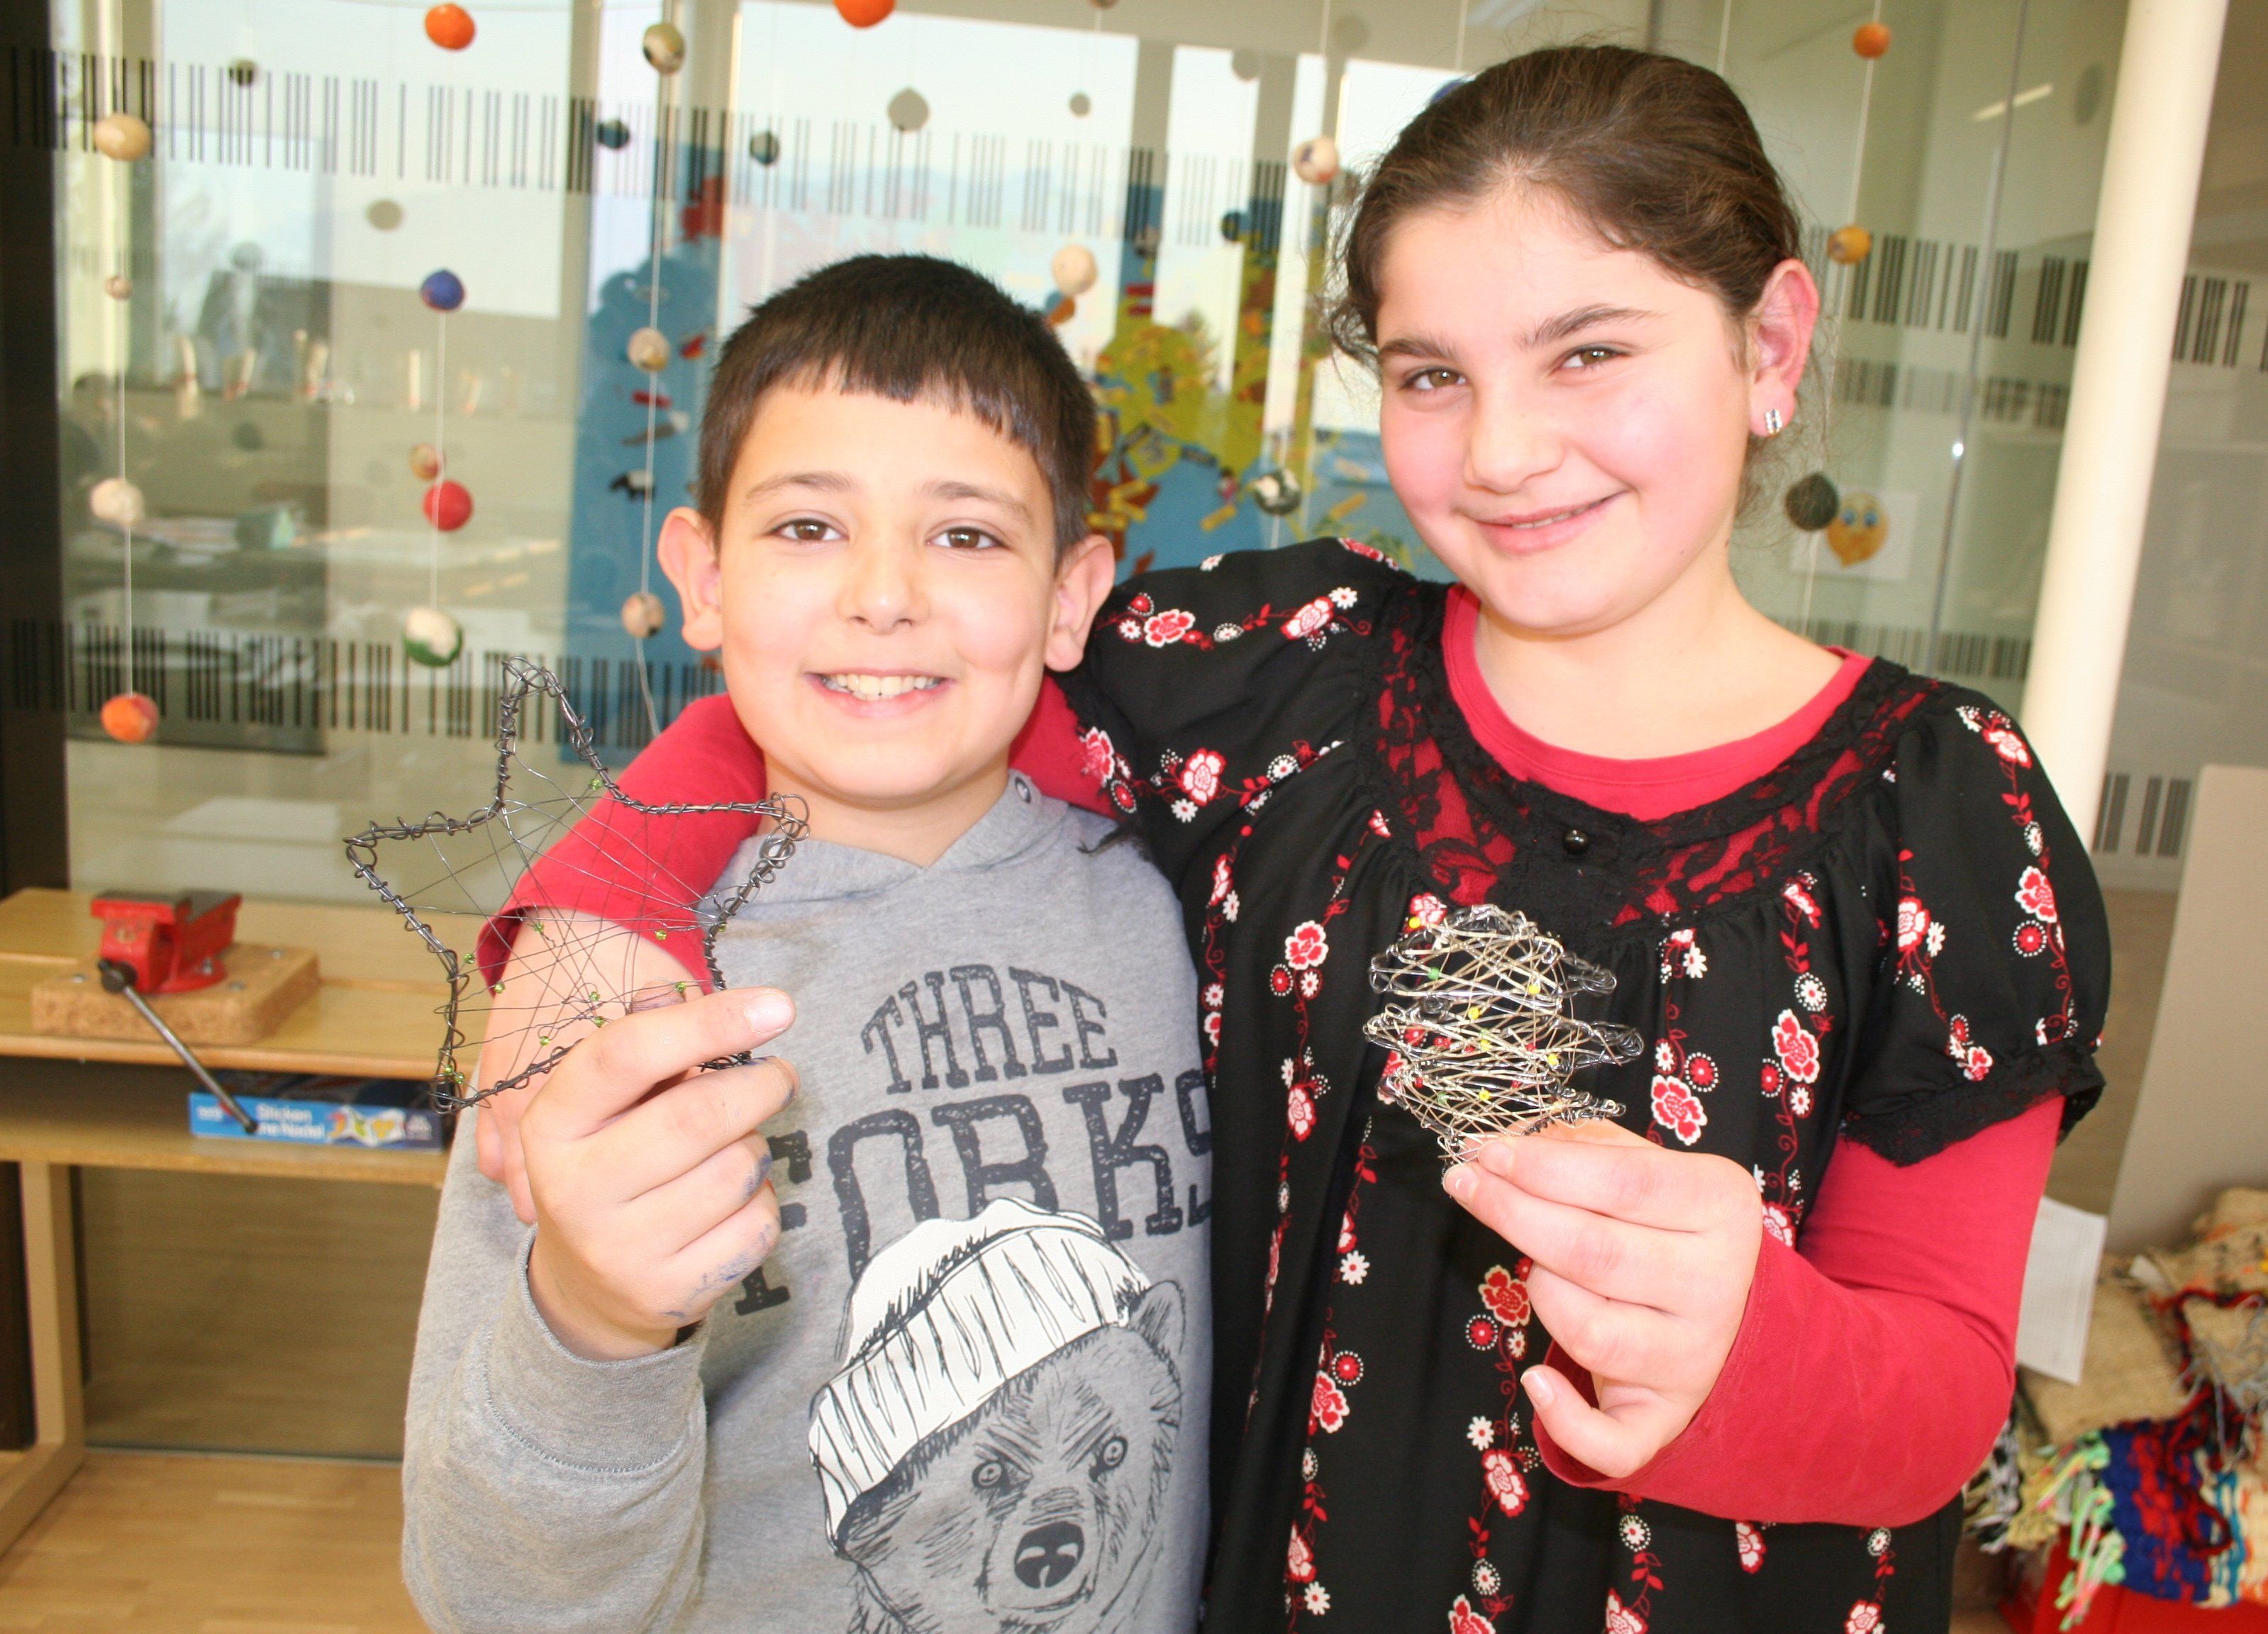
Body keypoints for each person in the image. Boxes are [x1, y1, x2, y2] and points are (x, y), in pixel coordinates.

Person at [483, 45, 2110, 1634]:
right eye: (1431, 374)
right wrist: (604, 898)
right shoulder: (1271, 687)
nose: (1502, 450)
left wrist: (1754, 1347)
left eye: (1589, 353)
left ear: (1770, 341)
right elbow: (891, 687)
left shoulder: (1940, 810)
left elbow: (1947, 1388)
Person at [400, 255, 1214, 1634]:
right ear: (703, 577)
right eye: (807, 527)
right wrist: (593, 1316)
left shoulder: (1195, 909)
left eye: (968, 536)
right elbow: (493, 1596)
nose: (883, 595)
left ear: (1072, 594)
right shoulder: (608, 995)